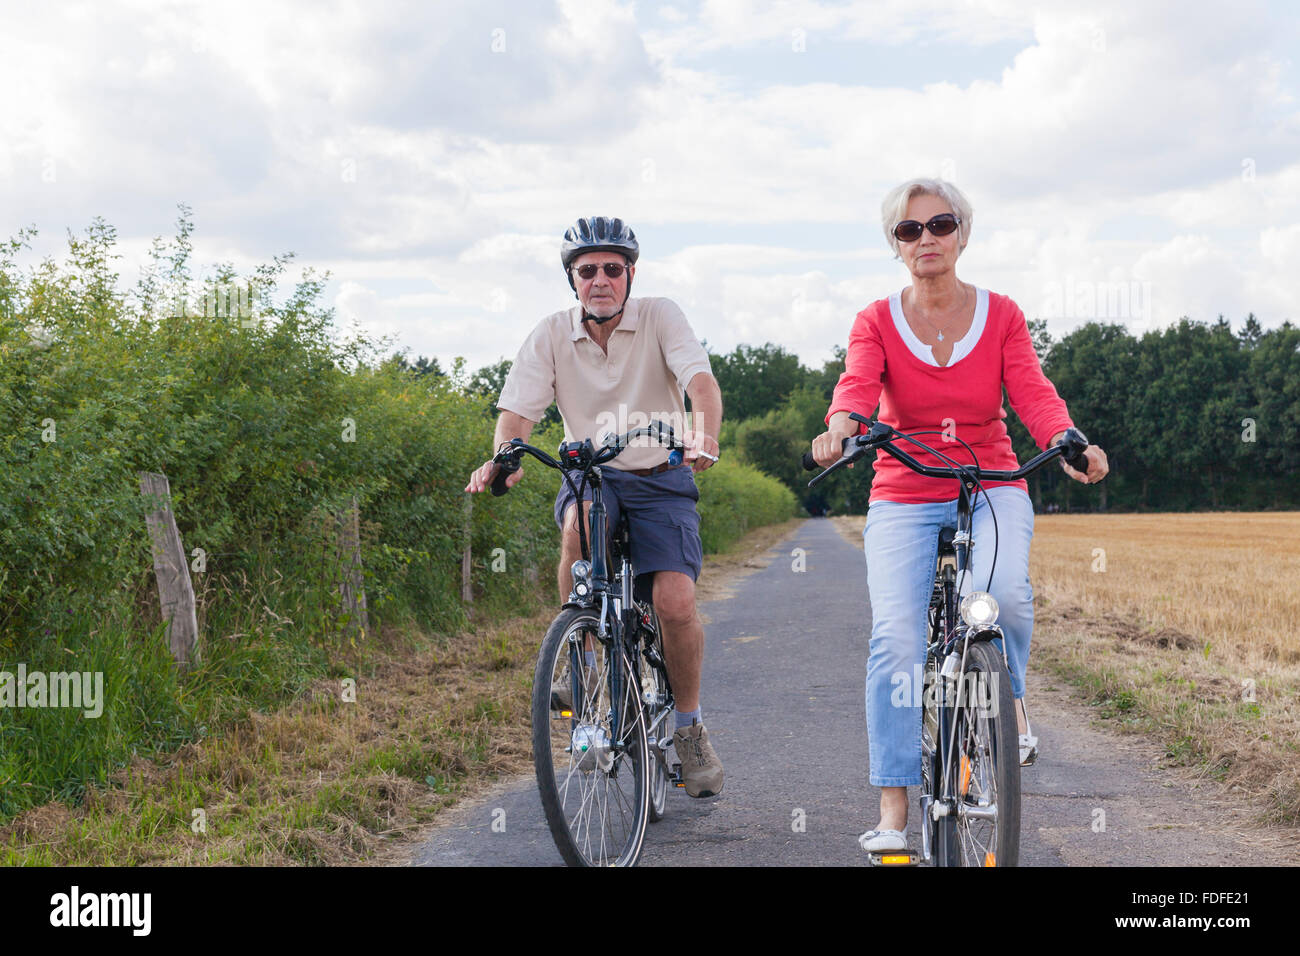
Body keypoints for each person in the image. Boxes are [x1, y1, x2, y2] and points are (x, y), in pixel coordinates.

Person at [809, 179, 1109, 853]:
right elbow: (857, 385)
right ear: (895, 245)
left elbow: (1031, 388)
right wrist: (841, 427)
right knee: (896, 641)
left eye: (939, 225)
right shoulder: (876, 320)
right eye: (908, 231)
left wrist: (1065, 438)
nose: (926, 240)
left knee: (1001, 598)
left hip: (991, 477)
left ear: (963, 234)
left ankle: (1011, 705)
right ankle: (893, 808)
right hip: (905, 487)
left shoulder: (1000, 314)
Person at [464, 216, 726, 798]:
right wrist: (505, 460)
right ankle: (581, 657)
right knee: (579, 527)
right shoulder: (551, 334)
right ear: (572, 280)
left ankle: (688, 728)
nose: (600, 280)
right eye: (588, 271)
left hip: (661, 476)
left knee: (674, 602)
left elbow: (700, 382)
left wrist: (703, 434)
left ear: (631, 274)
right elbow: (517, 416)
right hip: (594, 476)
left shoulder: (661, 315)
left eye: (613, 268)